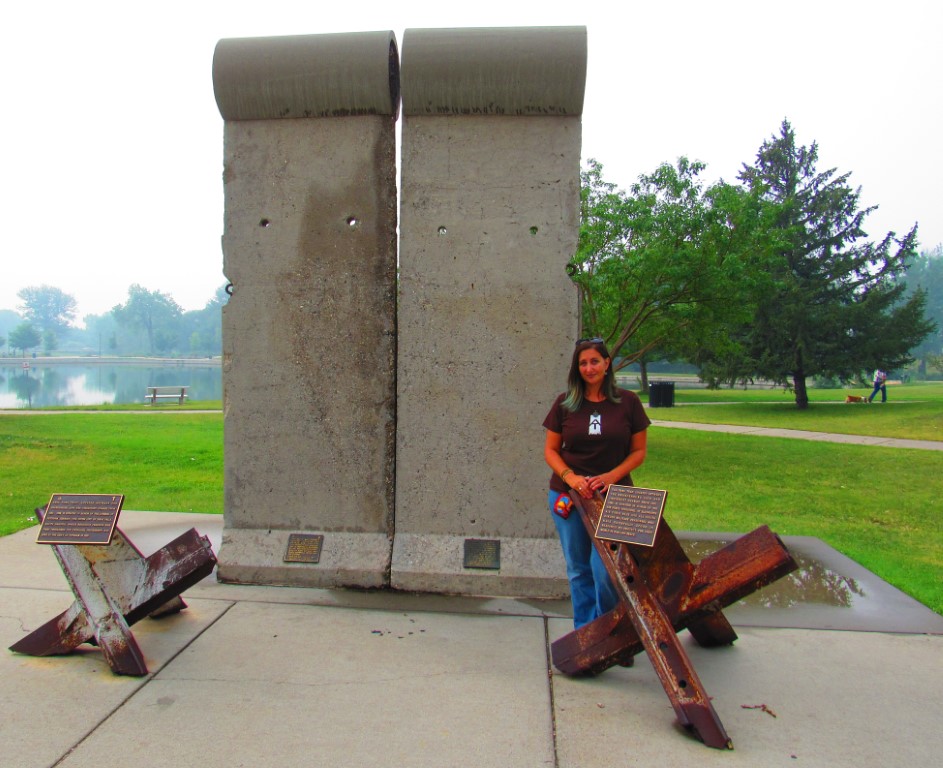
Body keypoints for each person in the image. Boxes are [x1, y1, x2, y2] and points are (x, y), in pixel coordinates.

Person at [542, 337, 651, 629]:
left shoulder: (628, 402)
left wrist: (610, 477)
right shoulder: (564, 404)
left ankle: (609, 629)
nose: (589, 368)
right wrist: (572, 479)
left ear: (607, 364)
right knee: (579, 569)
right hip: (569, 496)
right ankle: (587, 633)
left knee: (608, 570)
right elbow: (551, 451)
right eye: (583, 363)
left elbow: (639, 452)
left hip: (616, 495)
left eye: (594, 361)